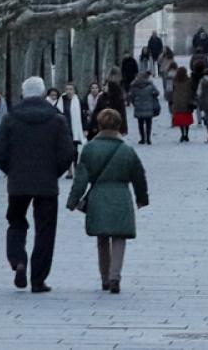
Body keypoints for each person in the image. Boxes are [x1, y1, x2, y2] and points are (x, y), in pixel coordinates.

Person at [0, 76, 76, 293]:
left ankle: (18, 260)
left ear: (23, 94)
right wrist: (54, 172)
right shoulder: (56, 119)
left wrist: (11, 170)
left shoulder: (11, 119)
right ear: (42, 94)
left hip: (18, 183)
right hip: (46, 184)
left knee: (16, 221)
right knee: (46, 231)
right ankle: (38, 279)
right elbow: (68, 152)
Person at [65, 108, 149, 294]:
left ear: (99, 125)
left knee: (102, 238)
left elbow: (80, 180)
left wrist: (73, 201)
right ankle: (115, 276)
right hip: (121, 195)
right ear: (118, 125)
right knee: (119, 237)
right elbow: (139, 177)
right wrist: (142, 198)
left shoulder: (89, 149)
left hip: (98, 197)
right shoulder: (127, 150)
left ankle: (104, 278)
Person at [57, 82, 88, 179]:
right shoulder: (61, 100)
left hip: (75, 129)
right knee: (66, 150)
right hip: (64, 128)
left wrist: (85, 128)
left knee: (74, 150)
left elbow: (83, 116)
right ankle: (69, 170)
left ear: (74, 91)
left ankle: (75, 167)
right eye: (67, 89)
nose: (69, 91)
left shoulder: (79, 101)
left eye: (71, 89)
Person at [93, 71, 129, 138]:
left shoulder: (118, 99)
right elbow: (96, 112)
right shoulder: (101, 98)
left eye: (106, 86)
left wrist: (123, 129)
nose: (104, 87)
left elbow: (122, 115)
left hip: (114, 127)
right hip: (102, 126)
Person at [129, 71, 161, 145]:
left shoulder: (134, 85)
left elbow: (131, 96)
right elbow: (157, 92)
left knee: (140, 123)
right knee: (148, 123)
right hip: (149, 106)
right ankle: (148, 138)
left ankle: (142, 138)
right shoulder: (150, 85)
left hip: (139, 107)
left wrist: (135, 103)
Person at [170, 67, 196, 142]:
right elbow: (192, 90)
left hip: (177, 102)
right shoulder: (188, 81)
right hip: (187, 101)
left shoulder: (175, 81)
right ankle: (186, 134)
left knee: (180, 119)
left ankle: (182, 133)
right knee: (186, 119)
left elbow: (171, 90)